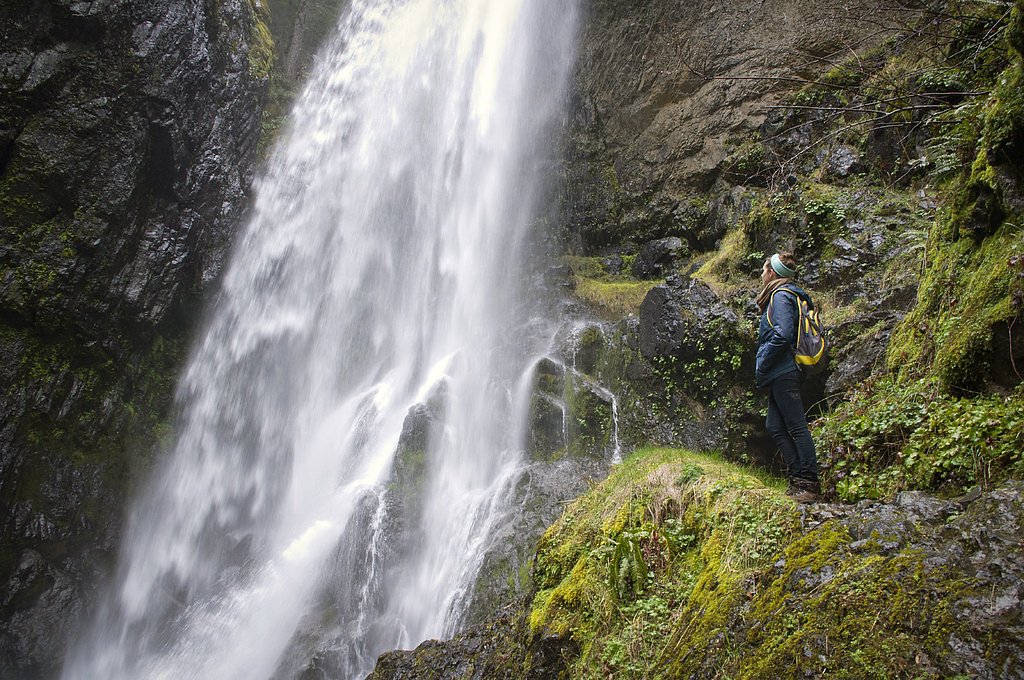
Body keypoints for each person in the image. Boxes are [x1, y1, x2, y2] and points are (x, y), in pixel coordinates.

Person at [755, 251, 822, 503]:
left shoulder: (781, 296)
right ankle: (797, 479)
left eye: (764, 269)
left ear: (772, 272)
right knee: (775, 426)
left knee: (796, 426)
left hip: (784, 370)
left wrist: (763, 361)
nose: (762, 274)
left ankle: (809, 483)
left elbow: (782, 334)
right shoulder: (784, 295)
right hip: (780, 371)